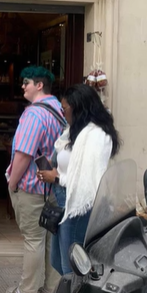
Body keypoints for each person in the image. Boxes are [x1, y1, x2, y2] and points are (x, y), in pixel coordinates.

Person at [37, 84, 120, 275]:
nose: (62, 112)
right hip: (63, 201)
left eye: (64, 108)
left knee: (71, 267)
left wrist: (57, 178)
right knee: (57, 260)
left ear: (78, 108)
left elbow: (88, 180)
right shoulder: (73, 131)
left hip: (78, 205)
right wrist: (52, 168)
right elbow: (70, 163)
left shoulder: (97, 136)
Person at [5, 66, 64, 293]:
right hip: (53, 186)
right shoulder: (60, 110)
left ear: (39, 85)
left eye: (26, 82)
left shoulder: (33, 115)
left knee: (33, 239)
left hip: (31, 186)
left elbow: (23, 154)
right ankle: (49, 289)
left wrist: (12, 181)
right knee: (50, 239)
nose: (22, 86)